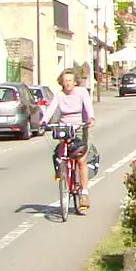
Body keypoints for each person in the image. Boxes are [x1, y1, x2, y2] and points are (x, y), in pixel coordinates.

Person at [43, 69, 96, 211]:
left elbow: (88, 106)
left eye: (70, 80)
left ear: (75, 82)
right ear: (62, 82)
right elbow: (51, 109)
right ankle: (61, 168)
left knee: (80, 160)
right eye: (65, 81)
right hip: (65, 128)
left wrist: (91, 118)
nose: (68, 83)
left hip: (80, 127)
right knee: (61, 153)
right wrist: (43, 121)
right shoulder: (59, 96)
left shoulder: (81, 92)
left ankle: (84, 193)